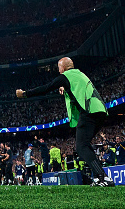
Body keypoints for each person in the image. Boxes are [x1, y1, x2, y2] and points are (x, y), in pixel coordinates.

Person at [16, 57, 115, 187]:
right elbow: (78, 89)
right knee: (85, 145)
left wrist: (25, 94)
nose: (59, 71)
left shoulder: (65, 76)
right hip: (100, 111)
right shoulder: (79, 74)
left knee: (81, 147)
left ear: (62, 68)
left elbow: (47, 88)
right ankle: (98, 177)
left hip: (89, 112)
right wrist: (65, 89)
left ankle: (103, 177)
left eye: (58, 68)